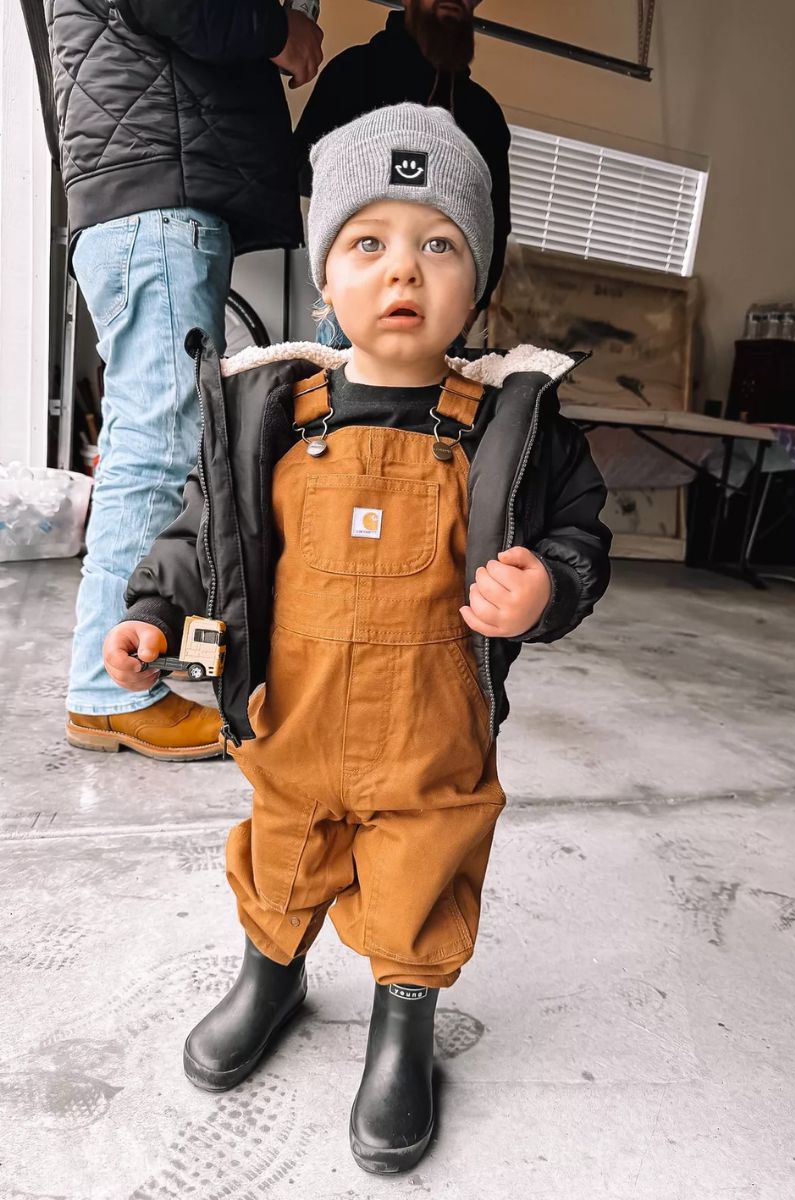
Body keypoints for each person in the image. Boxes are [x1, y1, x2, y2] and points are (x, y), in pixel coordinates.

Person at [102, 104, 611, 1173]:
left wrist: (545, 589)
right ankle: (269, 974)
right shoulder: (274, 411)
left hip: (433, 733)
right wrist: (153, 615)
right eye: (367, 242)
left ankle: (402, 1022)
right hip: (292, 717)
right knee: (281, 853)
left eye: (438, 245)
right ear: (324, 272)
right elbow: (208, 533)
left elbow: (576, 534)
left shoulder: (506, 419)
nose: (402, 273)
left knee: (420, 871)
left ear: (477, 281)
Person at [47, 0, 323, 760]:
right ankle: (107, 690)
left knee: (159, 435)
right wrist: (279, 29)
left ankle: (121, 668)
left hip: (142, 182)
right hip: (155, 186)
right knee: (159, 441)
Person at [293, 0, 510, 348]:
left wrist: (463, 311)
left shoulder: (483, 112)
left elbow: (495, 227)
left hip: (441, 323)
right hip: (350, 317)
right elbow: (307, 175)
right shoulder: (354, 71)